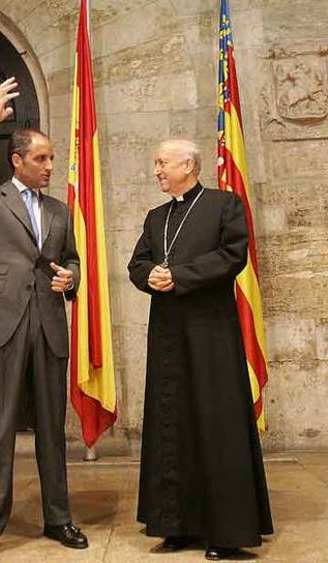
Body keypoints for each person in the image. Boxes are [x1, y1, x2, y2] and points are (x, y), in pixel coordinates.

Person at [0, 78, 88, 563]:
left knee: (52, 428)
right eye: (42, 159)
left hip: (47, 324)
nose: (51, 166)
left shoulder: (58, 210)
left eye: (52, 159)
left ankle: (59, 517)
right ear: (18, 160)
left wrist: (69, 280)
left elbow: (70, 261)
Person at [128, 139, 273, 561]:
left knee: (215, 423)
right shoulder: (156, 217)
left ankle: (226, 533)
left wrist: (180, 276)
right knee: (172, 423)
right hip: (168, 335)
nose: (156, 169)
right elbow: (138, 263)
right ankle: (176, 525)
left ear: (188, 165)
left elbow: (233, 256)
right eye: (156, 162)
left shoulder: (224, 205)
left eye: (162, 162)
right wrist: (150, 275)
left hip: (211, 333)